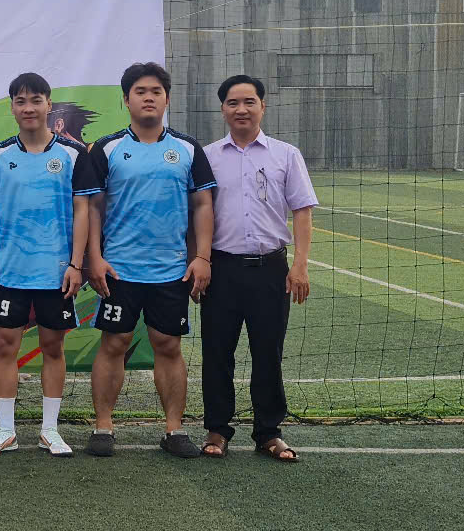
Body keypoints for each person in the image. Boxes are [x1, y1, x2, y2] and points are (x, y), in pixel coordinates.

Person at [86, 61, 216, 458]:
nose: (148, 98)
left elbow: (202, 204)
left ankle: (174, 430)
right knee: (114, 343)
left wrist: (202, 257)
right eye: (140, 92)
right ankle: (103, 427)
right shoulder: (106, 148)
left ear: (167, 99)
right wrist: (94, 258)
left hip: (171, 270)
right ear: (126, 100)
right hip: (119, 268)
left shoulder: (188, 149)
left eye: (155, 91)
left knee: (168, 344)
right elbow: (93, 207)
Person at [0, 73, 98, 457]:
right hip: (11, 271)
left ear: (49, 105)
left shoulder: (73, 154)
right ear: (13, 107)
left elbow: (83, 211)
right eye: (21, 101)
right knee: (5, 345)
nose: (28, 108)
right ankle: (5, 431)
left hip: (56, 272)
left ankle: (50, 430)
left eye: (36, 100)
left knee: (52, 346)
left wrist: (76, 264)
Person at [200, 74, 315, 462]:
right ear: (223, 110)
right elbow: (197, 214)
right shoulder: (208, 157)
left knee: (268, 352)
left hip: (270, 270)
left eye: (249, 102)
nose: (241, 109)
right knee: (217, 352)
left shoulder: (286, 155)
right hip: (221, 270)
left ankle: (268, 432)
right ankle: (217, 430)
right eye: (233, 103)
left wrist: (299, 266)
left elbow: (302, 211)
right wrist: (200, 262)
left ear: (263, 106)